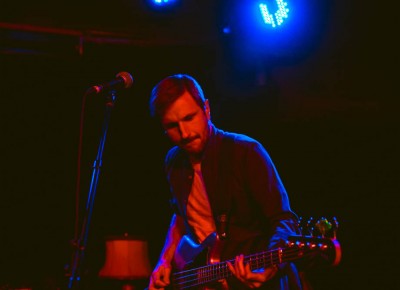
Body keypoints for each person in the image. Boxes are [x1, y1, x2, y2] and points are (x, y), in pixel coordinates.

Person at [147, 74, 309, 290]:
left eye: (189, 118)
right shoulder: (173, 162)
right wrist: (164, 262)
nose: (184, 133)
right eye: (172, 126)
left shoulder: (245, 152)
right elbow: (179, 216)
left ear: (206, 109)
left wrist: (269, 269)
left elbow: (283, 219)